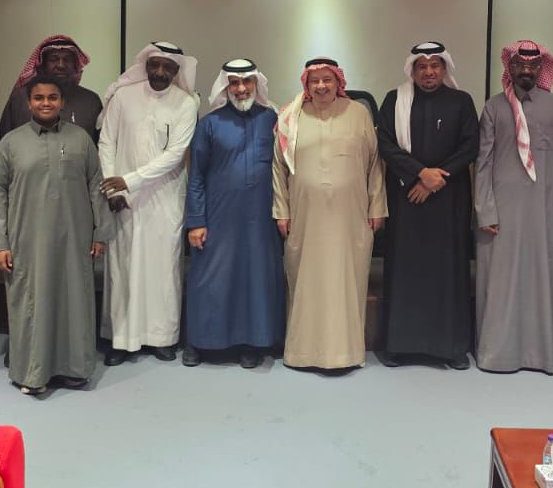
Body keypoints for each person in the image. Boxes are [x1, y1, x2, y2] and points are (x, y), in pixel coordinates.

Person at [0, 73, 112, 396]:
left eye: (52, 98)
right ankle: (32, 373)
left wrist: (100, 233)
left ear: (62, 102)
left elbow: (96, 188)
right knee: (31, 302)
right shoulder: (11, 143)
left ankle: (75, 369)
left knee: (75, 299)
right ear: (29, 103)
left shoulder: (81, 140)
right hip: (26, 239)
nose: (46, 103)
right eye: (39, 98)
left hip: (74, 237)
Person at [474, 40, 553, 374]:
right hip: (502, 213)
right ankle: (498, 353)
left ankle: (539, 353)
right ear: (509, 67)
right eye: (519, 64)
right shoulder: (493, 107)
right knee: (500, 282)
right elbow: (483, 163)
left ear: (541, 68)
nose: (526, 70)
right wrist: (485, 210)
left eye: (533, 65)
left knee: (544, 279)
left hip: (546, 211)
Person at [272, 57, 386, 370]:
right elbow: (278, 168)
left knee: (347, 281)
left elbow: (375, 164)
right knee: (305, 281)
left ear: (338, 82)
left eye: (327, 80)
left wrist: (377, 205)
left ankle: (345, 353)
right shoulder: (291, 116)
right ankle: (302, 353)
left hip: (351, 216)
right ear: (306, 85)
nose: (321, 86)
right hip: (304, 215)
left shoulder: (359, 113)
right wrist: (281, 211)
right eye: (315, 81)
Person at [375, 42, 479, 368]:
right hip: (406, 199)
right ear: (413, 70)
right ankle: (399, 346)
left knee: (448, 271)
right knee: (405, 271)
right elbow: (384, 143)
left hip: (449, 201)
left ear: (445, 69)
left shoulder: (462, 102)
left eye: (435, 65)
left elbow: (470, 146)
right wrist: (420, 174)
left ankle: (451, 349)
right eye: (422, 66)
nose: (429, 72)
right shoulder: (394, 100)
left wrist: (436, 178)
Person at [98, 41, 199, 364]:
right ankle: (119, 339)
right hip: (122, 200)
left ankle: (162, 338)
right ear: (146, 65)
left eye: (168, 67)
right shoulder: (123, 97)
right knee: (122, 268)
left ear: (176, 70)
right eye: (154, 65)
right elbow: (106, 141)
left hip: (164, 198)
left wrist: (130, 180)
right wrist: (113, 188)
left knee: (163, 269)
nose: (160, 72)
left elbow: (175, 154)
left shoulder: (186, 103)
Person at [183, 59, 285, 368]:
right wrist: (196, 221)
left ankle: (252, 343)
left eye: (247, 82)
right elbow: (196, 175)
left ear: (256, 84)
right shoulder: (210, 123)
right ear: (225, 87)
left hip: (260, 219)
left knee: (255, 279)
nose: (241, 89)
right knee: (209, 278)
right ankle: (199, 341)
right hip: (218, 217)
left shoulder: (272, 119)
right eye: (234, 83)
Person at [0, 35, 102, 139]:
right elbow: (5, 139)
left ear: (74, 65)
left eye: (67, 59)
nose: (61, 65)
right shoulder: (20, 98)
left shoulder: (91, 101)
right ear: (42, 65)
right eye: (54, 59)